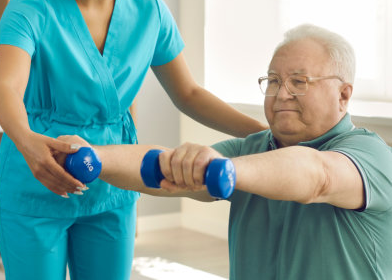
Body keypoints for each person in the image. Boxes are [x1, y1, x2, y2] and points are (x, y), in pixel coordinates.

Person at [0, 0, 267, 279]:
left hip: (114, 182)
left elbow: (188, 93)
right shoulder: (32, 5)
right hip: (37, 180)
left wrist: (266, 137)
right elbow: (6, 85)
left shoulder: (148, 8)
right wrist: (27, 143)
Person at [59, 24, 392, 279]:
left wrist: (229, 170)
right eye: (274, 81)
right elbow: (163, 170)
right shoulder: (250, 149)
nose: (282, 93)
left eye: (300, 81)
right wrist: (94, 157)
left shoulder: (369, 154)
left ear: (344, 95)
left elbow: (317, 176)